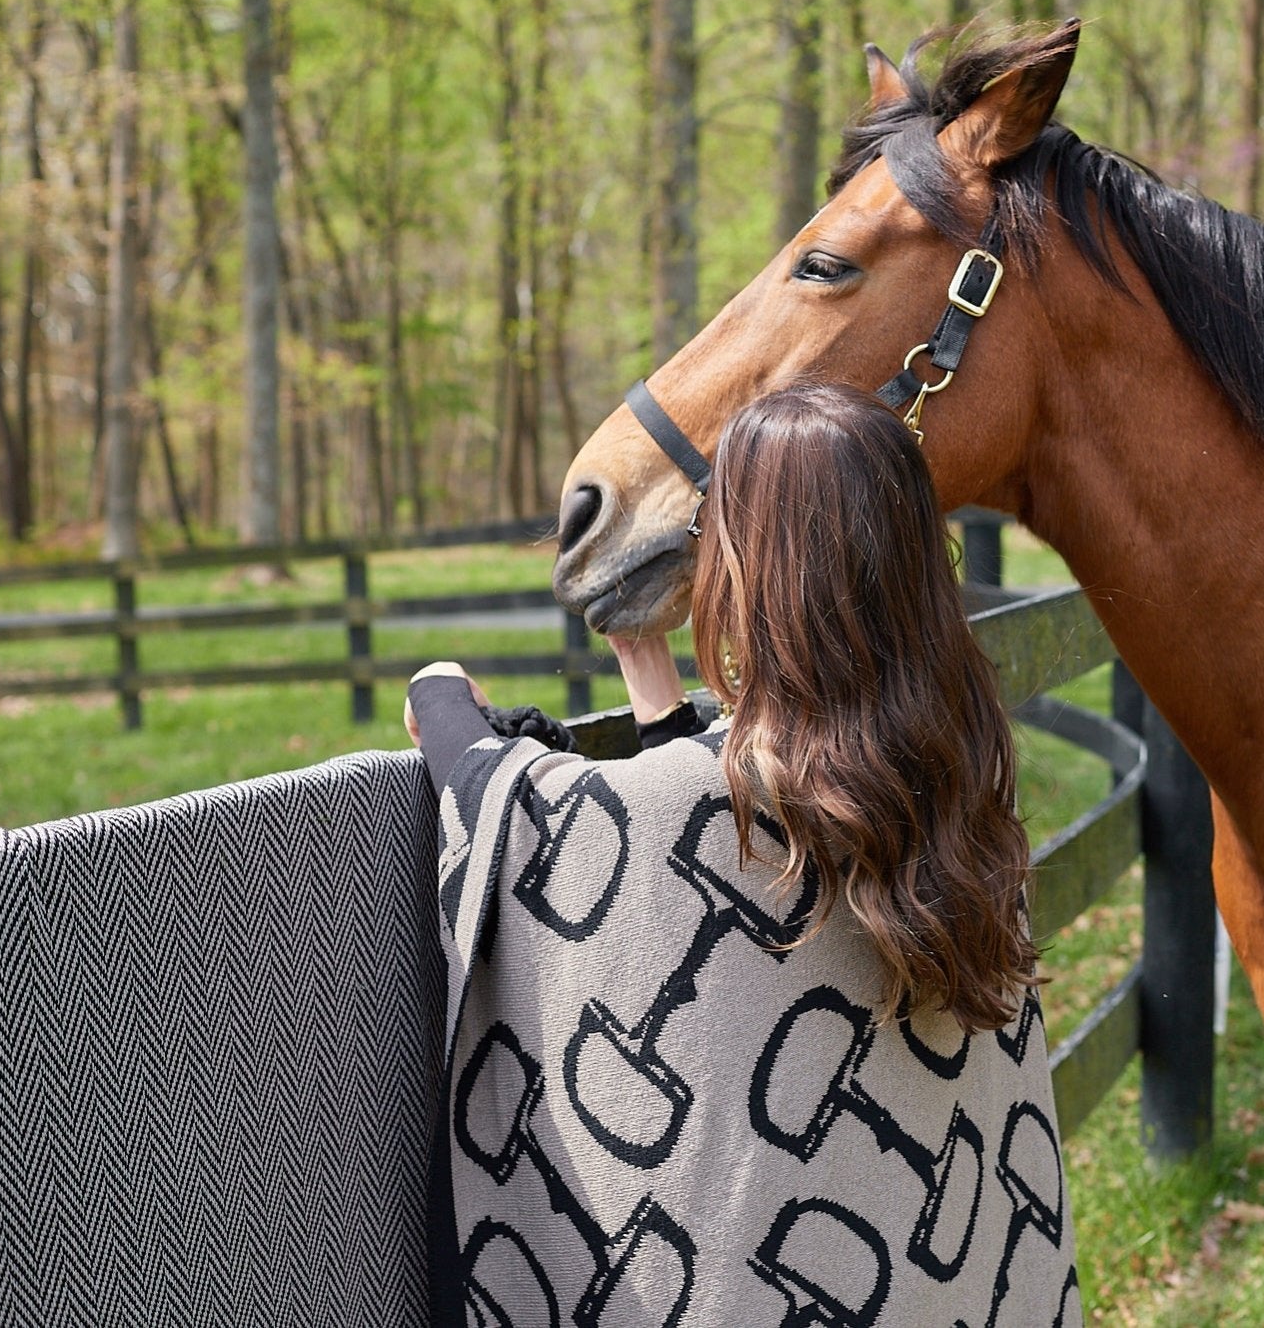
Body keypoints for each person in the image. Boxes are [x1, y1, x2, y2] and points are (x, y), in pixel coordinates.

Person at [404, 382, 1081, 1328]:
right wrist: (658, 701)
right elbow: (732, 849)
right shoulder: (955, 772)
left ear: (760, 570)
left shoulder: (721, 799)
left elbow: (512, 803)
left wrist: (438, 693)